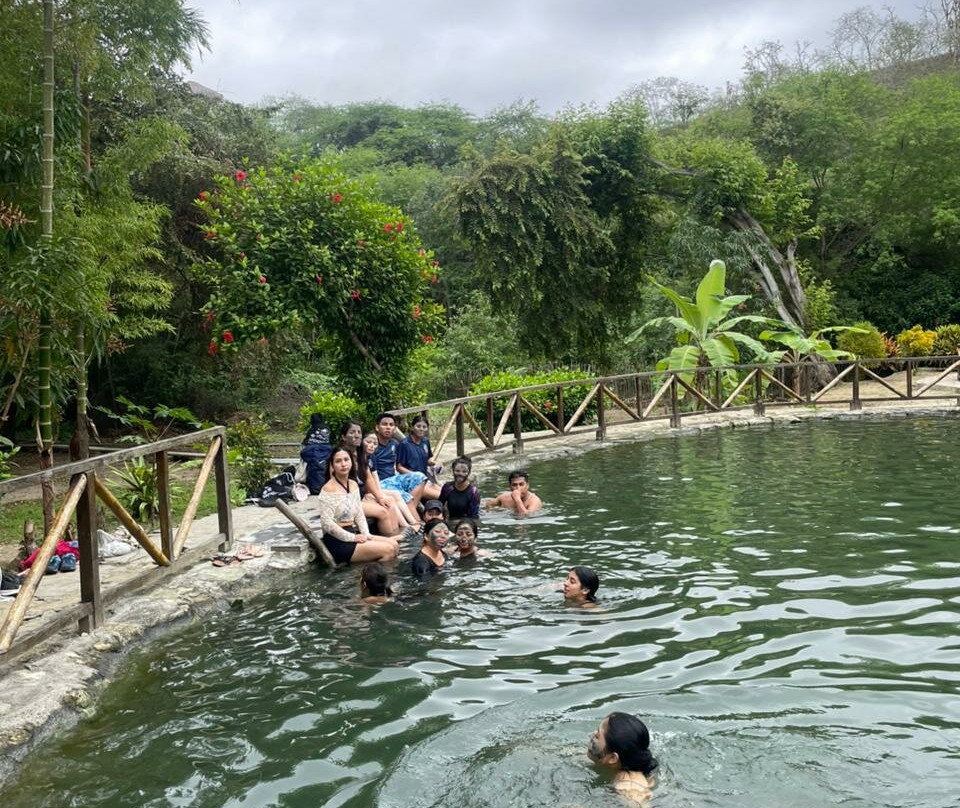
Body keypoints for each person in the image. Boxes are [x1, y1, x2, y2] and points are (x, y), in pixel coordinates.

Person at [316, 448, 399, 565]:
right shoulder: (329, 489)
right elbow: (326, 523)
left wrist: (366, 534)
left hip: (353, 533)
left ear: (351, 462)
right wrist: (352, 538)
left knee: (394, 544)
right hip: (337, 540)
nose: (343, 464)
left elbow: (359, 514)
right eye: (338, 461)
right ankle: (374, 579)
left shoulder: (353, 484)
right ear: (332, 465)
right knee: (388, 550)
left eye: (346, 459)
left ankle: (377, 575)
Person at [339, 420, 413, 536]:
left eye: (359, 432)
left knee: (389, 503)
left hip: (360, 497)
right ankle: (392, 539)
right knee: (383, 511)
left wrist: (380, 498)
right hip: (345, 502)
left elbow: (368, 478)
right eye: (352, 432)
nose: (357, 435)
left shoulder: (360, 455)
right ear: (343, 437)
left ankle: (399, 535)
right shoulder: (340, 456)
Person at [587, 712, 658, 804]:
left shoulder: (629, 789)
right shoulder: (624, 761)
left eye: (597, 736)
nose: (592, 735)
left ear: (613, 758)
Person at [361, 431, 422, 529]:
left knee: (396, 494)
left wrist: (380, 492)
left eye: (375, 444)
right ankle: (406, 527)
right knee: (390, 500)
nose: (372, 445)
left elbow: (375, 476)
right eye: (368, 442)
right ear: (361, 441)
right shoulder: (360, 458)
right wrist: (379, 495)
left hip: (374, 491)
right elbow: (368, 481)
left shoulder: (371, 457)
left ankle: (413, 523)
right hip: (365, 494)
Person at [369, 413, 428, 513]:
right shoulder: (372, 445)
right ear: (377, 427)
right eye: (384, 424)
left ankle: (414, 510)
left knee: (420, 476)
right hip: (380, 483)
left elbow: (403, 461)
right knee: (406, 496)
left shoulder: (394, 444)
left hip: (394, 479)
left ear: (395, 428)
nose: (388, 427)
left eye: (391, 425)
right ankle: (415, 518)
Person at [396, 414, 442, 498]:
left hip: (425, 480)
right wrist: (416, 475)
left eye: (424, 427)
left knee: (447, 493)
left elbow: (428, 459)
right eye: (418, 426)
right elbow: (399, 467)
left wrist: (435, 463)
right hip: (411, 481)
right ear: (412, 427)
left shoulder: (425, 441)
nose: (421, 429)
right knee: (440, 496)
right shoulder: (404, 444)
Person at [438, 455, 480, 520]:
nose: (460, 474)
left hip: (466, 524)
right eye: (457, 471)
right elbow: (439, 505)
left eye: (464, 472)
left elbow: (474, 516)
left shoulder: (473, 492)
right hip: (450, 521)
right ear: (452, 471)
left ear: (469, 473)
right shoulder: (447, 487)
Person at [300, 413, 333, 495]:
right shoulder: (327, 428)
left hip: (312, 452)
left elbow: (305, 444)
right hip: (326, 452)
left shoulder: (312, 429)